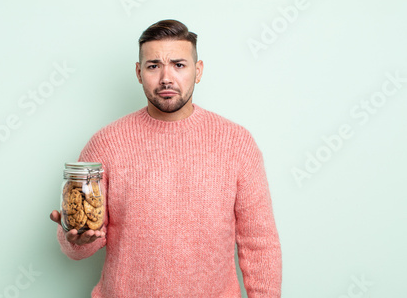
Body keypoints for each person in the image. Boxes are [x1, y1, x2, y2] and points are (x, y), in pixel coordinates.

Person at [50, 19, 282, 297]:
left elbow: (259, 242)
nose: (166, 78)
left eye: (179, 65)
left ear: (198, 71)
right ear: (138, 72)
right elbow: (83, 243)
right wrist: (74, 239)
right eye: (153, 66)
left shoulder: (237, 143)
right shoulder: (106, 144)